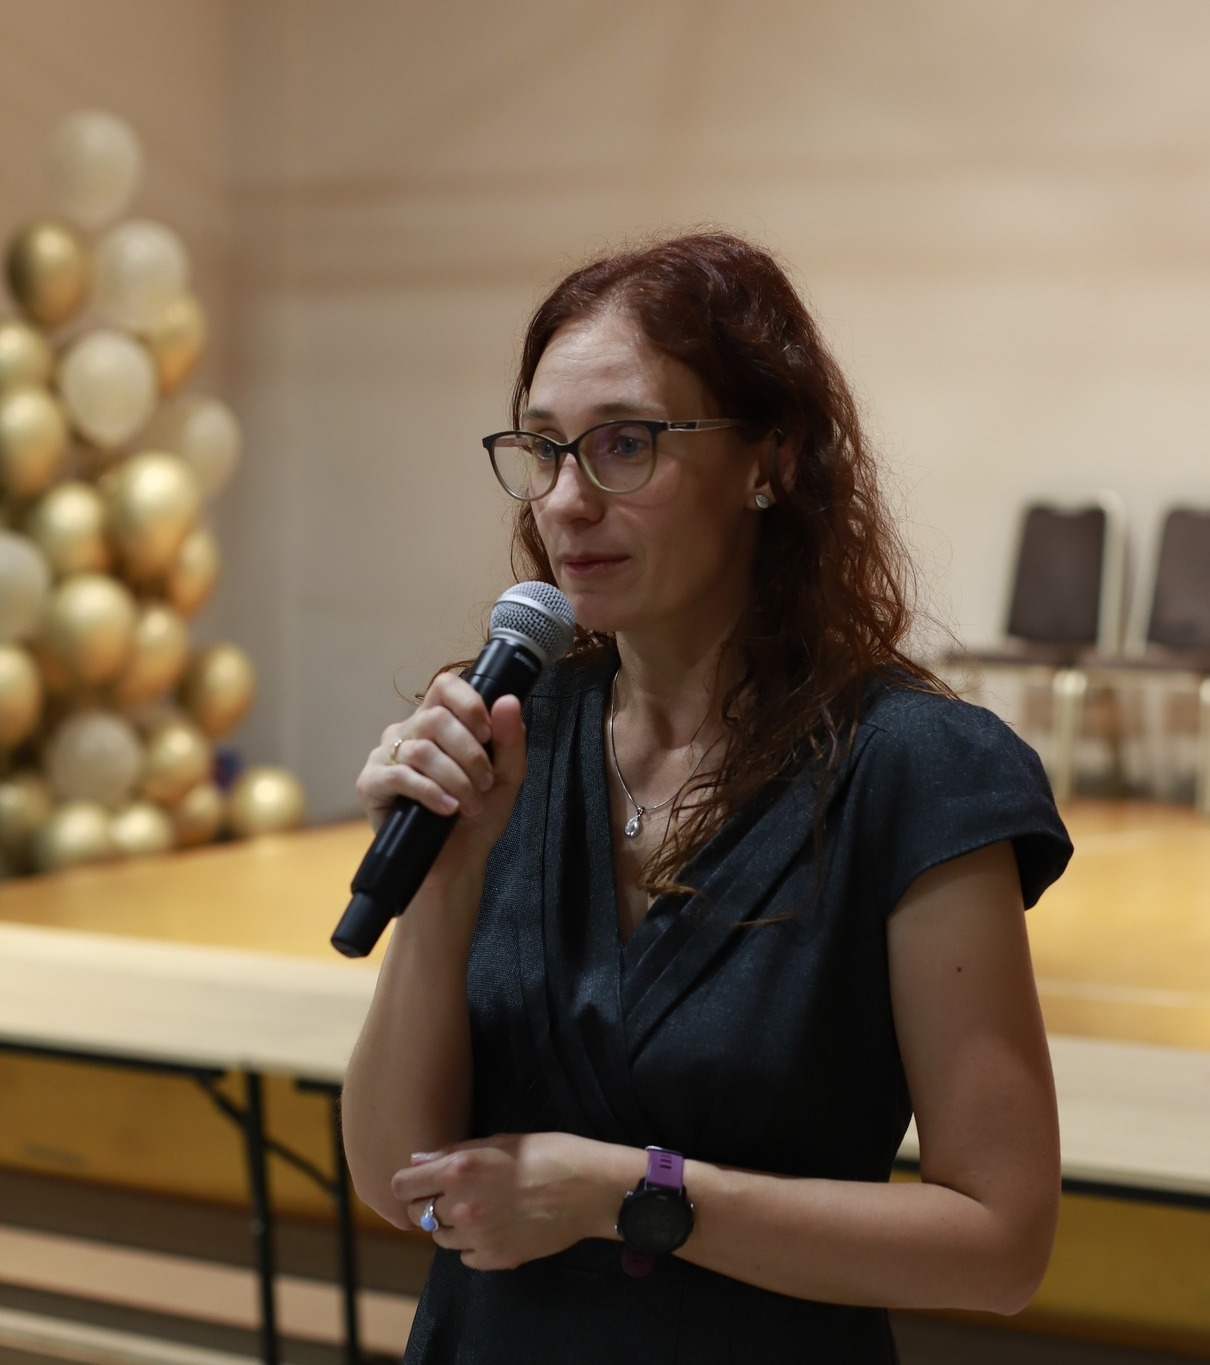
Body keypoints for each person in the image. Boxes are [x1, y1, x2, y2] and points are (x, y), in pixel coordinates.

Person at [342, 230, 1072, 1363]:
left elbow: (999, 1246)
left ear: (770, 458)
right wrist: (443, 879)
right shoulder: (508, 735)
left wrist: (636, 1196)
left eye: (624, 444)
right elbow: (399, 1179)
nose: (566, 501)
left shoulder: (916, 771)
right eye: (545, 447)